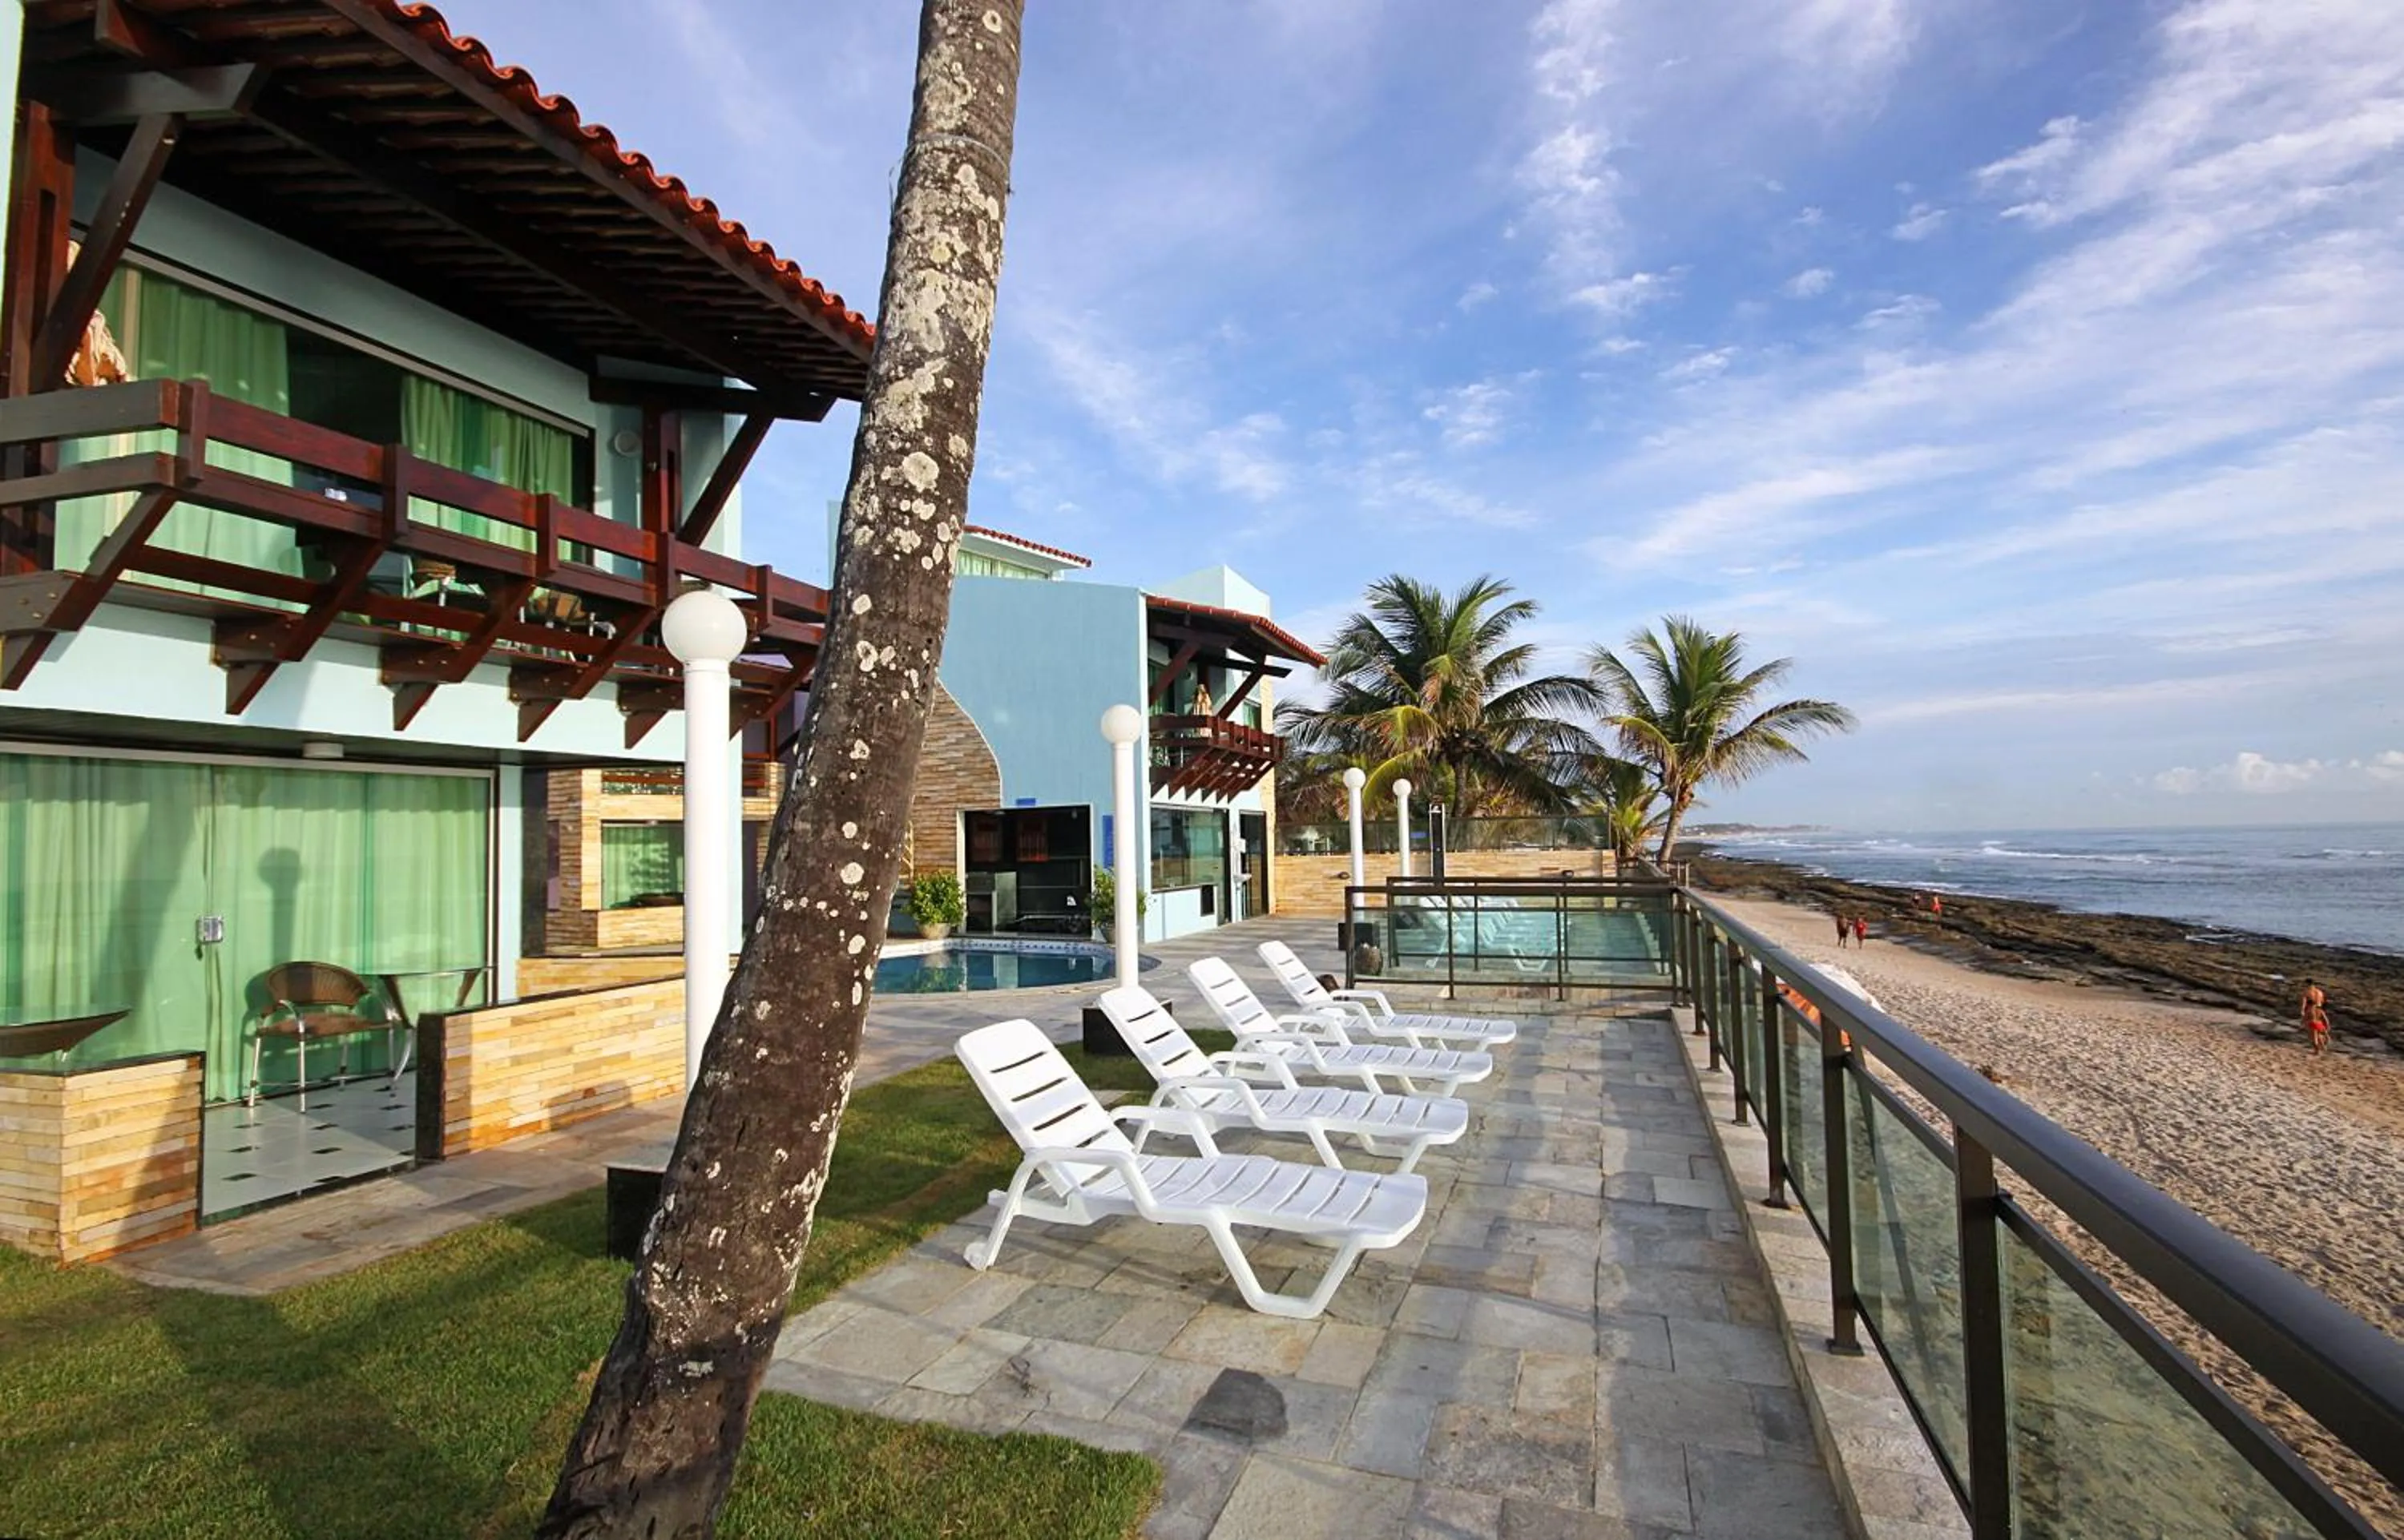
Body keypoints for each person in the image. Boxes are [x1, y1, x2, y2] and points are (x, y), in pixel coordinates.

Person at [2302, 979, 2329, 1057]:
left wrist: (2303, 1021)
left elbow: (2305, 1014)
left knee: (2314, 1038)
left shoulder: (2307, 993)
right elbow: (2325, 1017)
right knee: (2319, 1035)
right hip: (2319, 1021)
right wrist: (2327, 1025)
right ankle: (2324, 1048)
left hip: (2313, 1022)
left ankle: (2317, 1051)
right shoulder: (2320, 993)